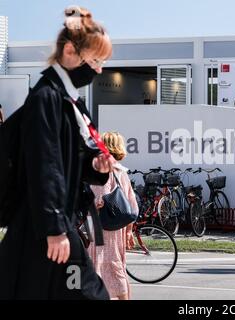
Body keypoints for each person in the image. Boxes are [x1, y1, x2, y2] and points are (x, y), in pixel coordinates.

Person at [0, 6, 114, 300]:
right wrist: (54, 229)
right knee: (88, 293)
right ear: (69, 53)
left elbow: (73, 161)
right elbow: (44, 165)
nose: (99, 69)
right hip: (44, 226)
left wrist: (96, 166)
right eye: (96, 60)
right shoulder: (46, 99)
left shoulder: (69, 104)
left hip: (47, 225)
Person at [88, 132, 138, 300]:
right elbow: (131, 205)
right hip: (118, 230)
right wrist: (129, 231)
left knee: (100, 268)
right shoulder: (121, 172)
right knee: (117, 268)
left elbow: (92, 201)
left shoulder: (100, 171)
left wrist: (96, 203)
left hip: (101, 229)